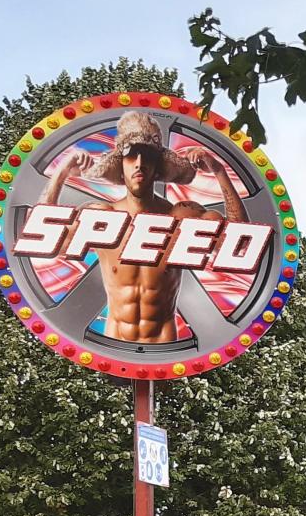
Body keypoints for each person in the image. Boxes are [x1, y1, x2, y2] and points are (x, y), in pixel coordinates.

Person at [37, 111, 248, 343]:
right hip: (114, 342)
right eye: (130, 156)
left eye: (147, 156)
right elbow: (42, 239)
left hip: (163, 345)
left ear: (157, 167)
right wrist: (61, 172)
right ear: (120, 166)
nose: (139, 164)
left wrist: (219, 171)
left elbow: (240, 244)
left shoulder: (180, 218)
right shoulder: (103, 217)